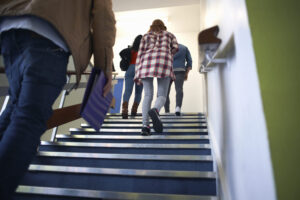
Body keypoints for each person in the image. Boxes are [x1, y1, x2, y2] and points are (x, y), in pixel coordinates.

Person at [0, 0, 116, 199]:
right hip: (50, 34)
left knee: (14, 110)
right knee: (29, 118)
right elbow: (103, 17)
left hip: (10, 28)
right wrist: (104, 66)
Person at [134, 19, 178, 136]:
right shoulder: (169, 35)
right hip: (163, 61)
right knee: (162, 95)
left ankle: (145, 126)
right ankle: (156, 110)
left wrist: (137, 73)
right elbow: (175, 47)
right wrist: (169, 54)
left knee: (148, 95)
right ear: (163, 26)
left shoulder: (145, 36)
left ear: (151, 26)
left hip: (146, 63)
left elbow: (140, 54)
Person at [164, 43, 192, 115]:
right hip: (180, 70)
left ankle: (167, 111)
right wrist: (186, 73)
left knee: (166, 92)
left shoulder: (167, 48)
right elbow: (189, 61)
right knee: (179, 89)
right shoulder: (184, 47)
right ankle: (178, 108)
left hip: (168, 71)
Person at [121, 35, 143, 119]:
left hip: (130, 69)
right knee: (138, 92)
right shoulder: (144, 51)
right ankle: (134, 111)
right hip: (140, 70)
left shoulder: (131, 50)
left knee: (127, 90)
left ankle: (124, 111)